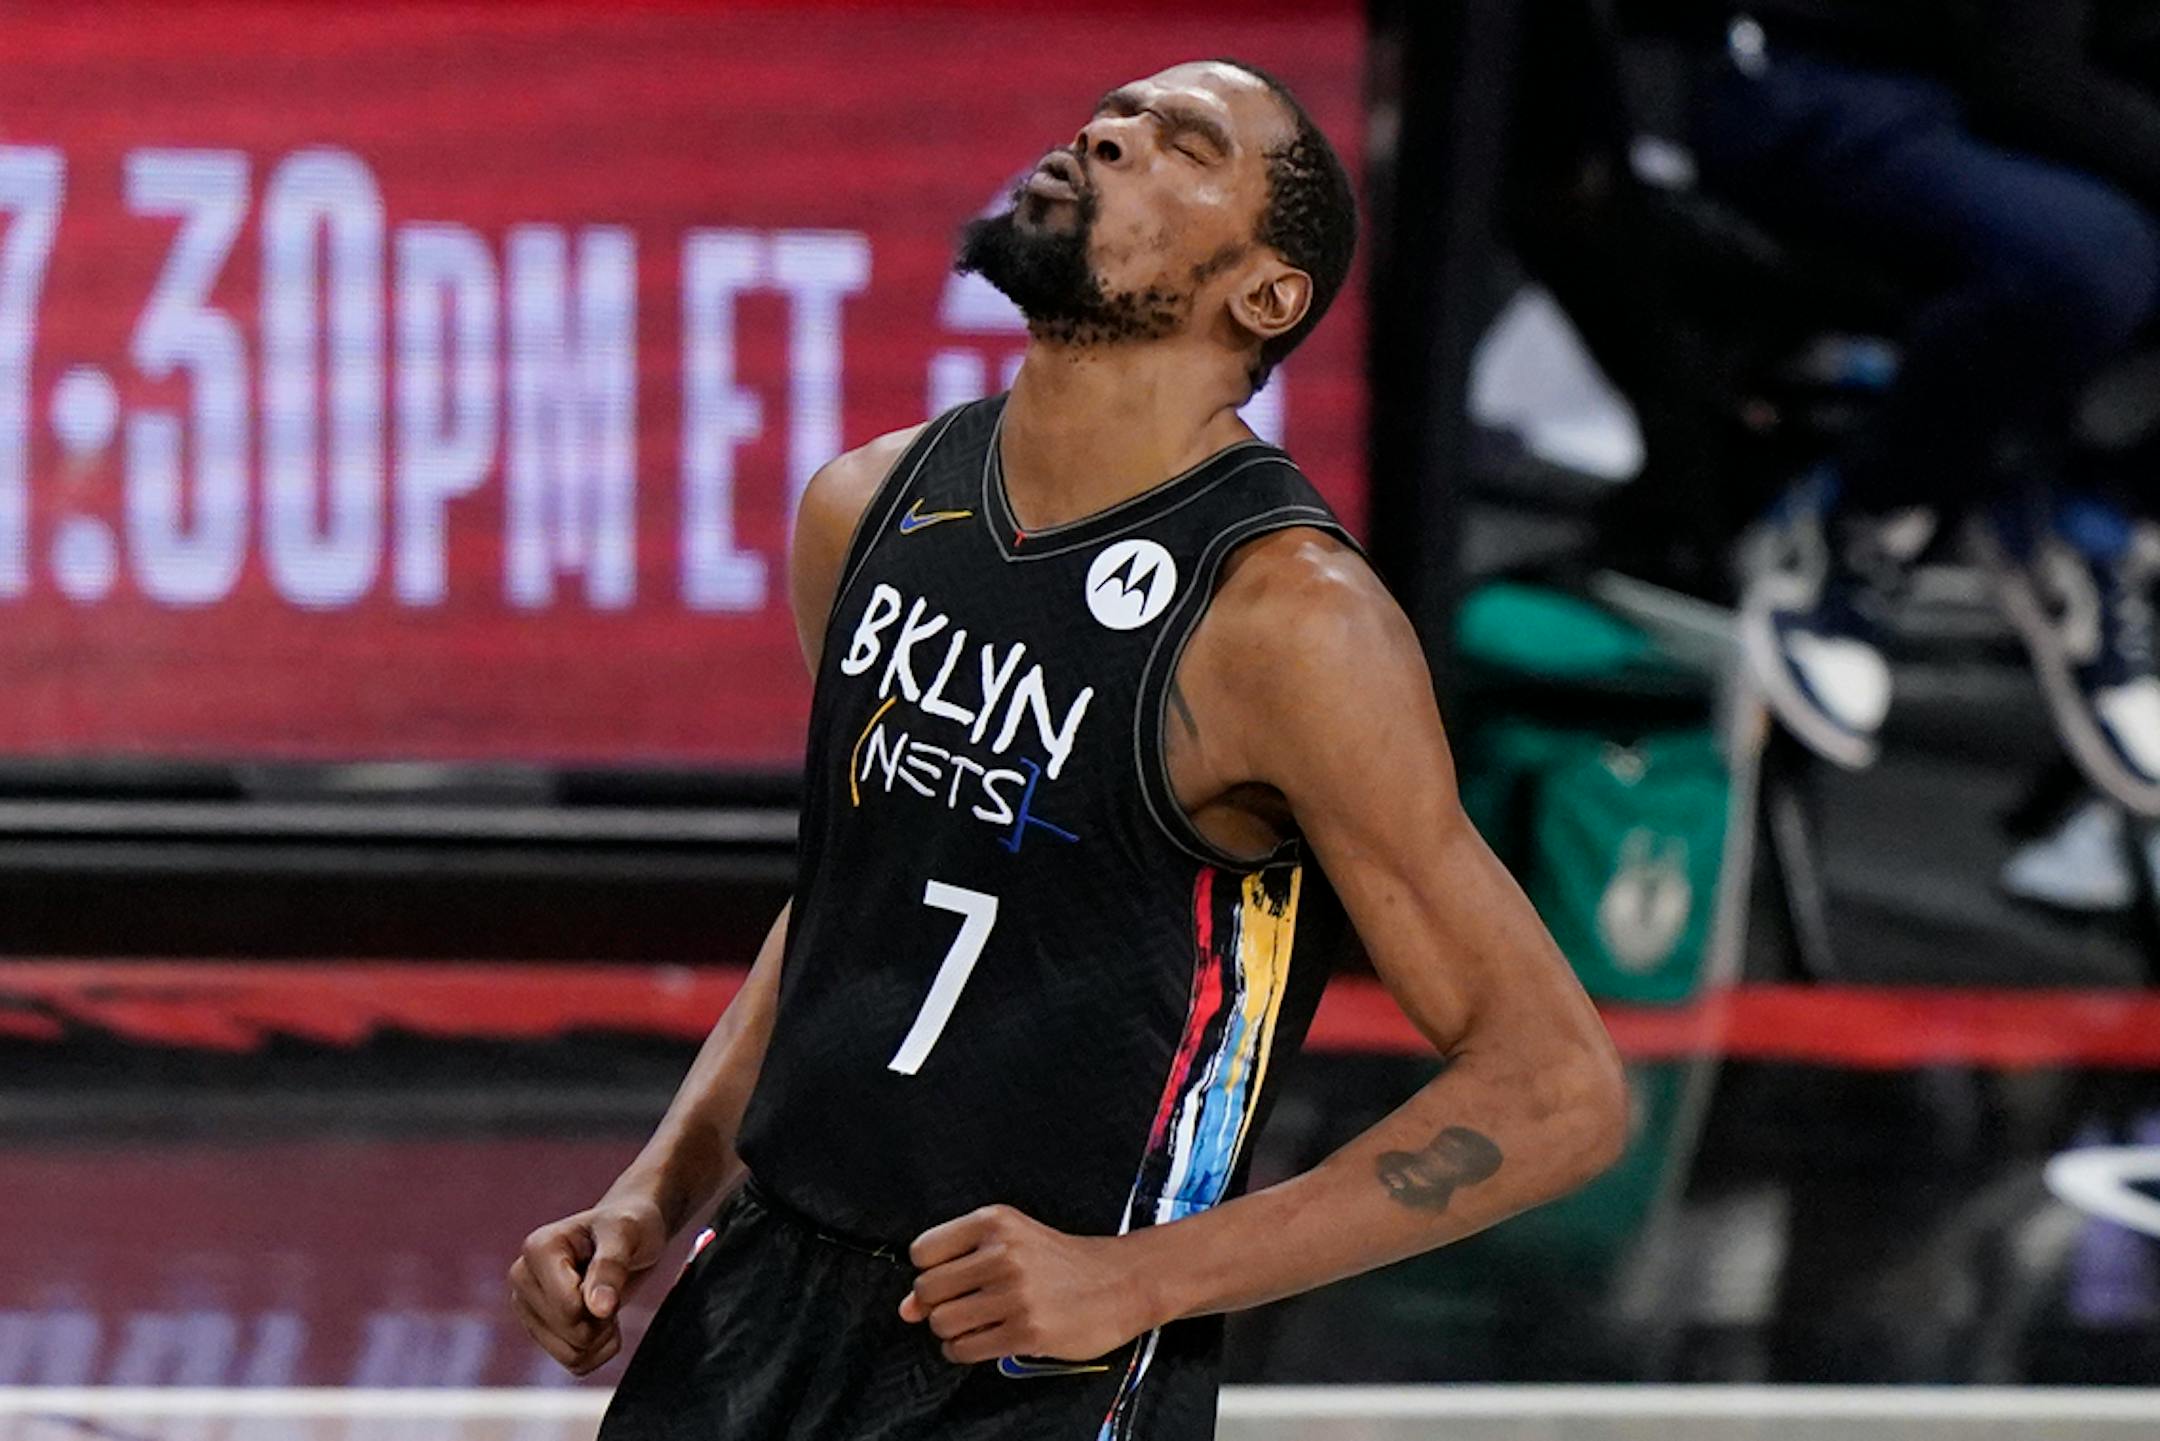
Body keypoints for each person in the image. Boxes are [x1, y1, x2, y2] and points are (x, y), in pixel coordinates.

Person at [507, 60, 1627, 1441]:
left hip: (1043, 1363)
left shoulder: (1287, 622)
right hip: (755, 1303)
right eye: (1114, 117)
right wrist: (658, 1188)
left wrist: (1136, 1280)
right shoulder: (867, 505)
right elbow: (859, 902)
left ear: (1267, 296)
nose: (1105, 134)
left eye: (1181, 145)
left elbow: (1556, 1088)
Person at [1630, 3, 2160, 811]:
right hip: (1807, 77)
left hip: (1974, 96)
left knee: (2103, 245)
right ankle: (1860, 515)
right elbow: (2024, 77)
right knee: (2091, 258)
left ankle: (2087, 512)